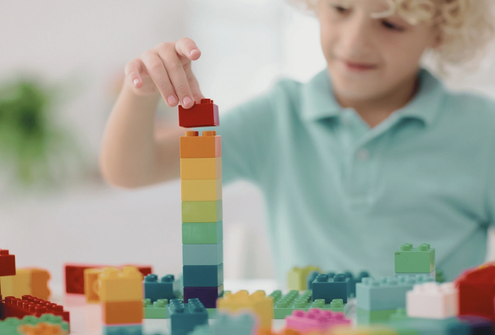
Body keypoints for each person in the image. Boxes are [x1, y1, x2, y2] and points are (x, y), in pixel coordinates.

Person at [100, 0, 495, 282]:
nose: (354, 41)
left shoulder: (482, 129)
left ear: (440, 32)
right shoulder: (279, 117)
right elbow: (132, 170)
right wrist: (142, 92)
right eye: (341, 9)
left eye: (391, 24)